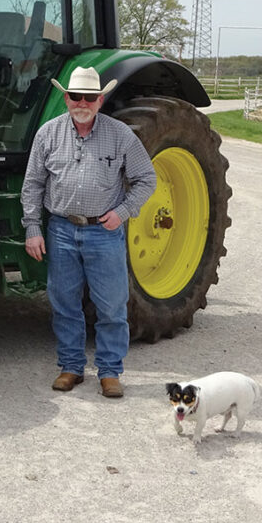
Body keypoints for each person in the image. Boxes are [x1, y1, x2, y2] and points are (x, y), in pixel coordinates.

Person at [21, 66, 157, 398]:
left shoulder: (121, 134)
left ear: (101, 99)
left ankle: (110, 372)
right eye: (76, 96)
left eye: (90, 97)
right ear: (66, 97)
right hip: (62, 229)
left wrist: (122, 213)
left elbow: (146, 180)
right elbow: (33, 185)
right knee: (64, 302)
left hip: (103, 232)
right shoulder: (47, 134)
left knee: (111, 305)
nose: (82, 102)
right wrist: (32, 229)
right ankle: (71, 367)